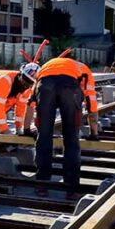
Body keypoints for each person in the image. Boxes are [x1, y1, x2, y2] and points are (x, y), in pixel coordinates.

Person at [33, 57, 85, 188]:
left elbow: (31, 101)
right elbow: (92, 100)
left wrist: (26, 129)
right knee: (71, 137)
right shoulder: (83, 69)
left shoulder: (44, 69)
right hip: (70, 87)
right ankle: (71, 186)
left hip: (45, 86)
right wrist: (94, 132)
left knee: (44, 136)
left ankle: (42, 184)